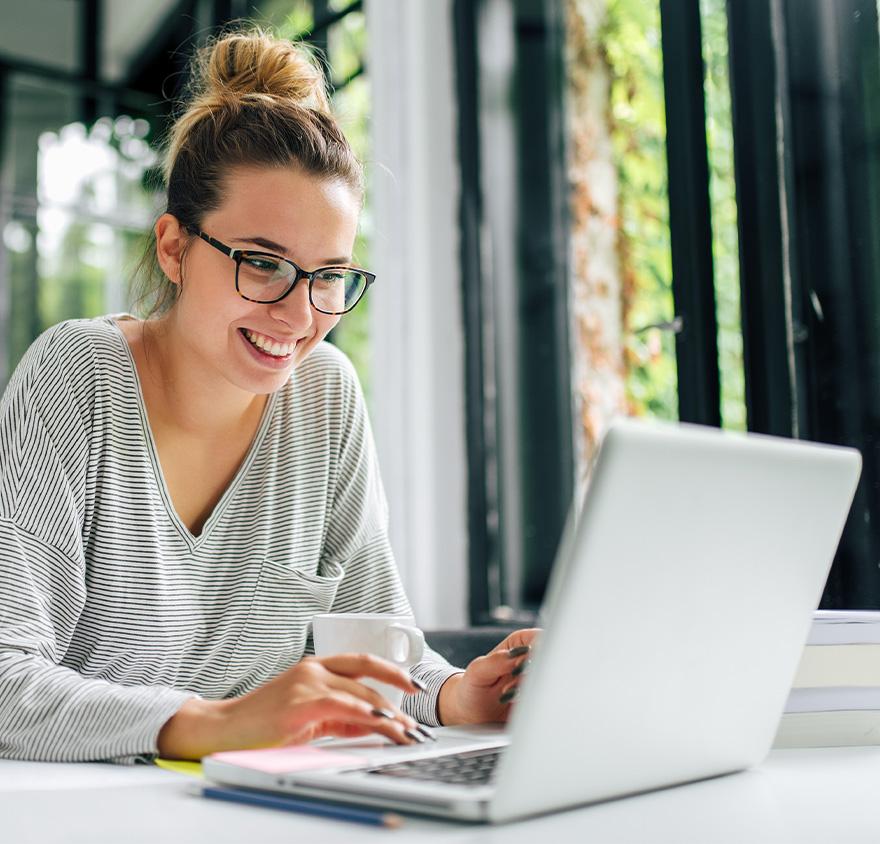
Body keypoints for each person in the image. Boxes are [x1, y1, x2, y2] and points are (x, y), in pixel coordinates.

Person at [0, 29, 536, 763]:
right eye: (262, 264)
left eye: (328, 276)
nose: (298, 315)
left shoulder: (325, 397)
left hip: (261, 808)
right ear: (173, 248)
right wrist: (217, 723)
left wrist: (458, 698)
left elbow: (380, 658)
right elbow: (5, 681)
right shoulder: (77, 377)